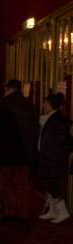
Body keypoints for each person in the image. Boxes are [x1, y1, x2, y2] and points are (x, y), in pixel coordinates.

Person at [0, 79, 38, 219]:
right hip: (25, 153)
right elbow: (35, 129)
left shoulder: (4, 105)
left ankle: (9, 212)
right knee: (22, 185)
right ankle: (22, 213)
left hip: (6, 152)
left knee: (6, 184)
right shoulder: (29, 105)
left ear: (8, 89)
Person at [37, 92, 71, 223]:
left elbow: (60, 142)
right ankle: (52, 210)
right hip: (47, 158)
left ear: (51, 105)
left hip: (53, 160)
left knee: (54, 186)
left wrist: (52, 155)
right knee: (49, 186)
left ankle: (63, 212)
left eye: (45, 102)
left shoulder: (58, 119)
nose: (43, 105)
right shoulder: (50, 117)